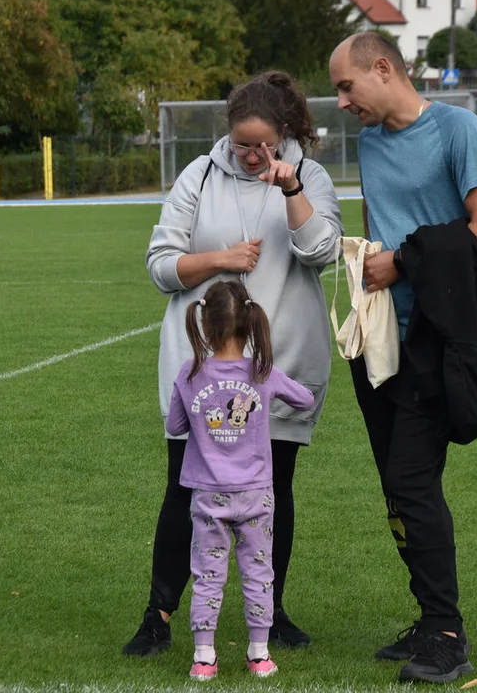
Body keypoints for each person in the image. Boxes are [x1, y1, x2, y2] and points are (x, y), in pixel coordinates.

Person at [125, 70, 343, 656]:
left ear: (287, 133)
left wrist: (290, 188)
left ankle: (269, 615)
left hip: (281, 367)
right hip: (203, 374)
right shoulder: (198, 175)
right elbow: (160, 265)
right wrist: (219, 258)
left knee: (274, 493)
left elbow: (321, 251)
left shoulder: (311, 177)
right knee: (184, 489)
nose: (251, 156)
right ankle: (158, 616)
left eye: (263, 145)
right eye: (242, 144)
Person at [328, 33, 477, 684]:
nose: (341, 101)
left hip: (441, 339)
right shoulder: (370, 144)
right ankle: (429, 617)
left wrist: (401, 260)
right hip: (381, 342)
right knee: (398, 488)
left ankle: (445, 632)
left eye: (347, 86)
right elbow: (383, 237)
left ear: (383, 68)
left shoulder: (457, 129)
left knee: (411, 480)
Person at [167, 280, 315, 680]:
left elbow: (176, 424)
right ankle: (259, 653)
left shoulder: (191, 372)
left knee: (207, 576)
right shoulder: (261, 372)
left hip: (208, 496)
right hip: (255, 495)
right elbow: (305, 399)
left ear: (205, 324)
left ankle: (203, 657)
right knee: (258, 571)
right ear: (250, 326)